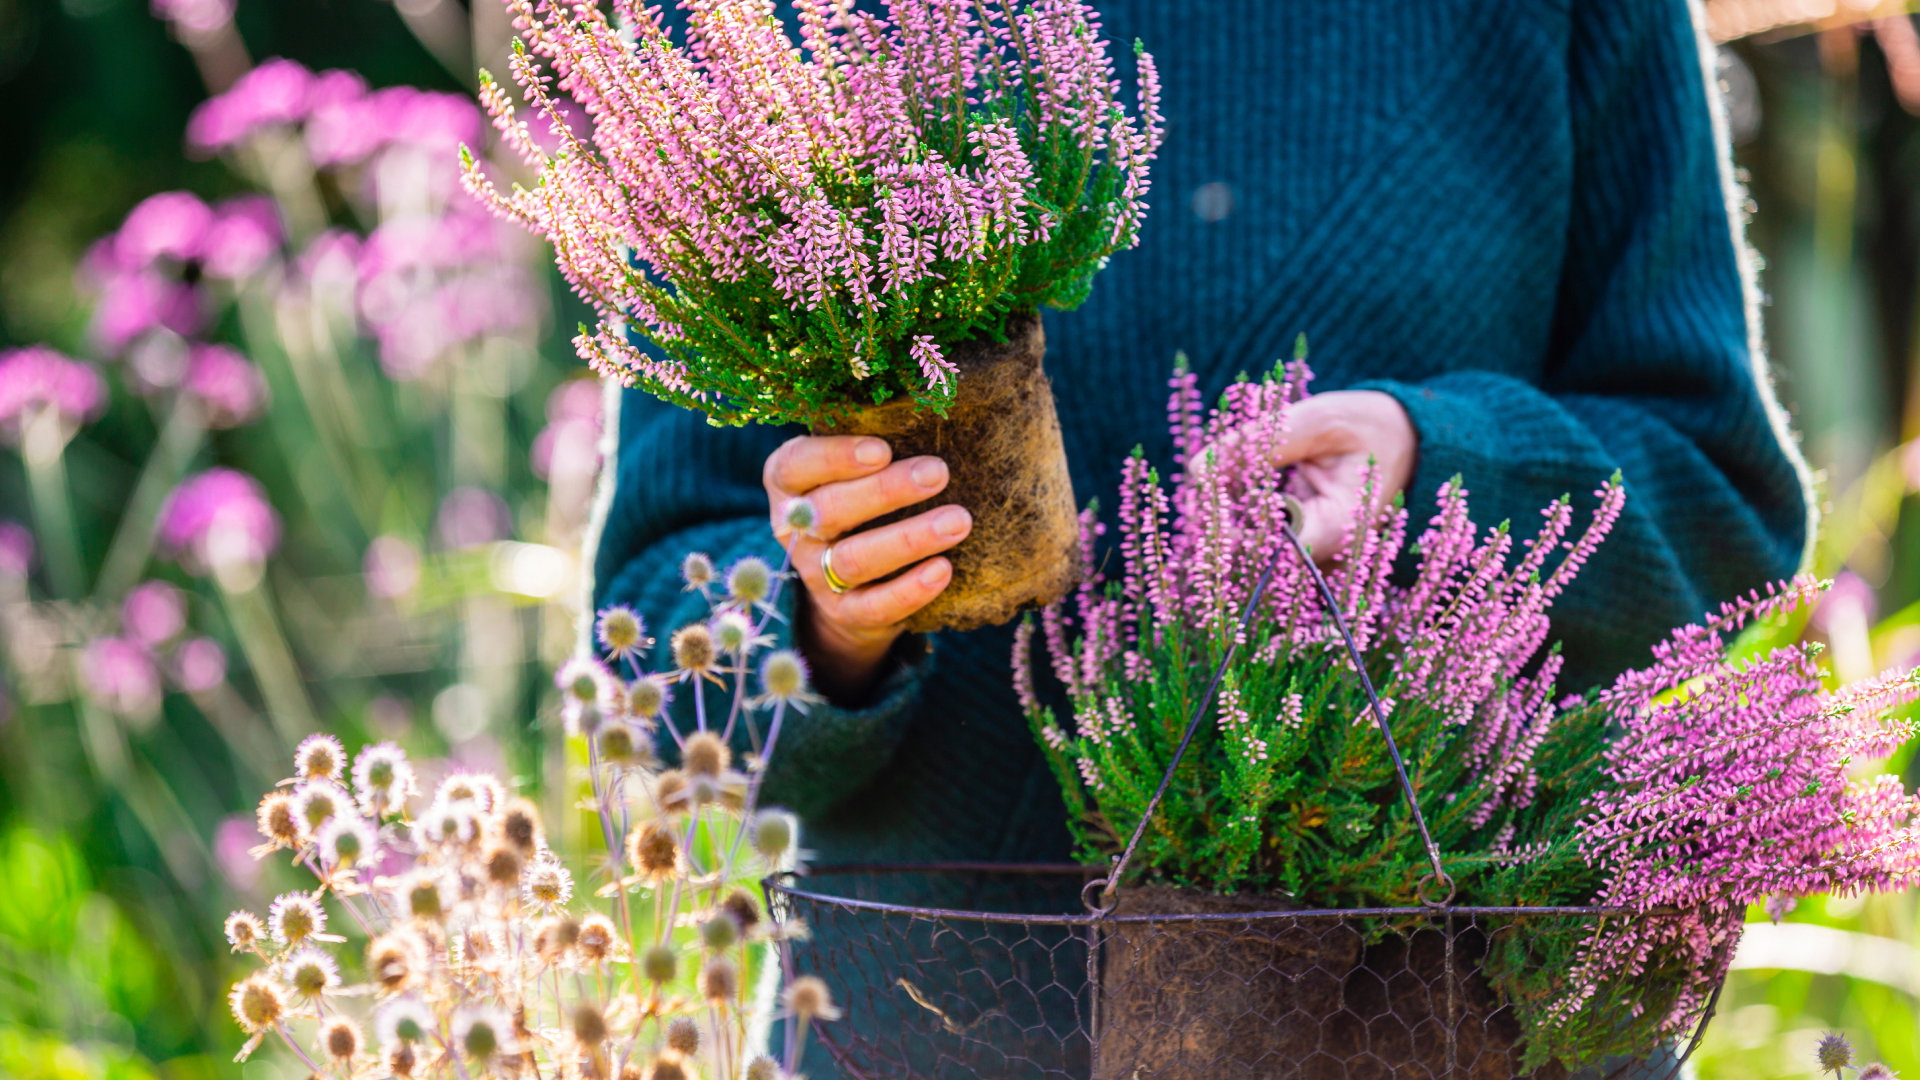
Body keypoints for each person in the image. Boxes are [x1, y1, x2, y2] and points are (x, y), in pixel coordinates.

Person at [592, 0, 1812, 1071]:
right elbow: (657, 640)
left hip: (1444, 1035)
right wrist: (829, 615)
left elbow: (1721, 506)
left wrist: (1446, 479)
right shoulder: (758, 35)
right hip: (920, 1033)